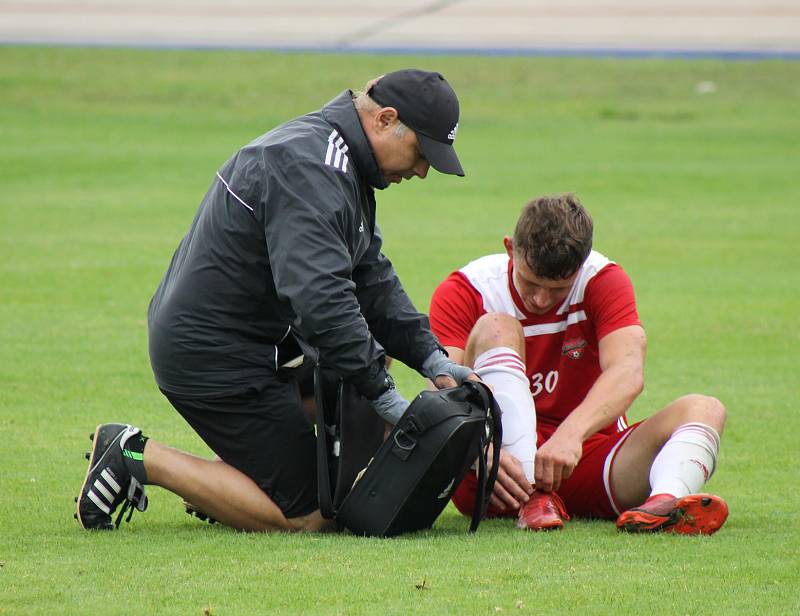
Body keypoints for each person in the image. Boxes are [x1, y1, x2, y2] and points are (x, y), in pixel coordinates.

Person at [75, 69, 476, 532]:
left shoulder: (339, 163)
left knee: (365, 373)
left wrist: (432, 358)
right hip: (209, 356)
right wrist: (387, 398)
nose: (423, 171)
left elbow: (371, 277)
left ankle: (236, 482)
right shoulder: (311, 168)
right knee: (309, 514)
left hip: (254, 345)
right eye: (422, 152)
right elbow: (321, 298)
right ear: (386, 119)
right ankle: (131, 454)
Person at [429, 194, 728, 534]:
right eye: (530, 282)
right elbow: (440, 389)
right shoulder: (468, 289)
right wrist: (477, 449)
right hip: (497, 471)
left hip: (582, 459)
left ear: (582, 264)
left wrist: (570, 435)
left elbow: (627, 372)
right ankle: (531, 497)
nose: (540, 299)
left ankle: (663, 507)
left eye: (557, 289)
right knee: (497, 326)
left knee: (707, 409)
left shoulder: (603, 280)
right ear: (510, 248)